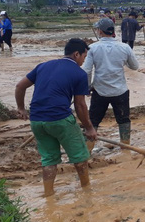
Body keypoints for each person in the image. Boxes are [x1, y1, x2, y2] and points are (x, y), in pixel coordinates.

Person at [14, 38, 97, 197]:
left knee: (49, 160)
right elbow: (80, 105)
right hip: (60, 119)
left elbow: (20, 86)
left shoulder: (43, 66)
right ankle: (87, 191)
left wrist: (21, 108)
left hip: (37, 120)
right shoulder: (79, 74)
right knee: (80, 157)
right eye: (84, 58)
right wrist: (89, 127)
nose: (83, 61)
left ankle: (49, 195)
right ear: (76, 54)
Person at [83, 18, 139, 146]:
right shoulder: (124, 47)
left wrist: (87, 87)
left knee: (93, 121)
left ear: (100, 31)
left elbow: (86, 70)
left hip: (100, 91)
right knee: (124, 120)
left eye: (97, 29)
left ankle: (88, 150)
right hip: (120, 91)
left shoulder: (92, 48)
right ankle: (125, 147)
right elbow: (135, 66)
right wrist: (122, 61)